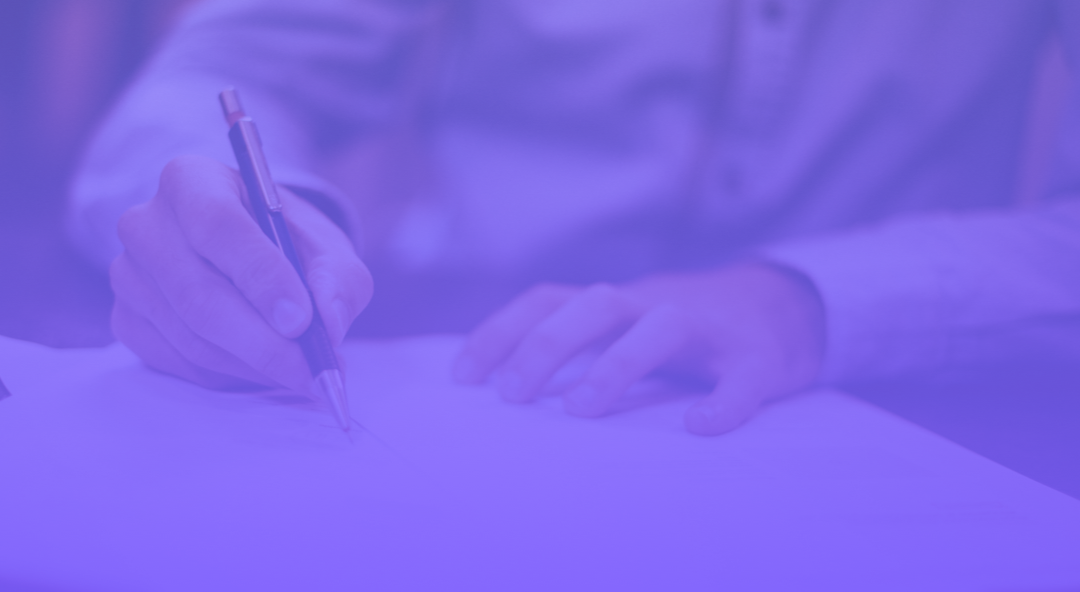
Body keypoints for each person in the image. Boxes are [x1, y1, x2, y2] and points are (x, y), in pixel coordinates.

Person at [69, 0, 1080, 435]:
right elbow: (213, 78)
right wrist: (231, 231)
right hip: (481, 369)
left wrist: (812, 299)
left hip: (907, 397)